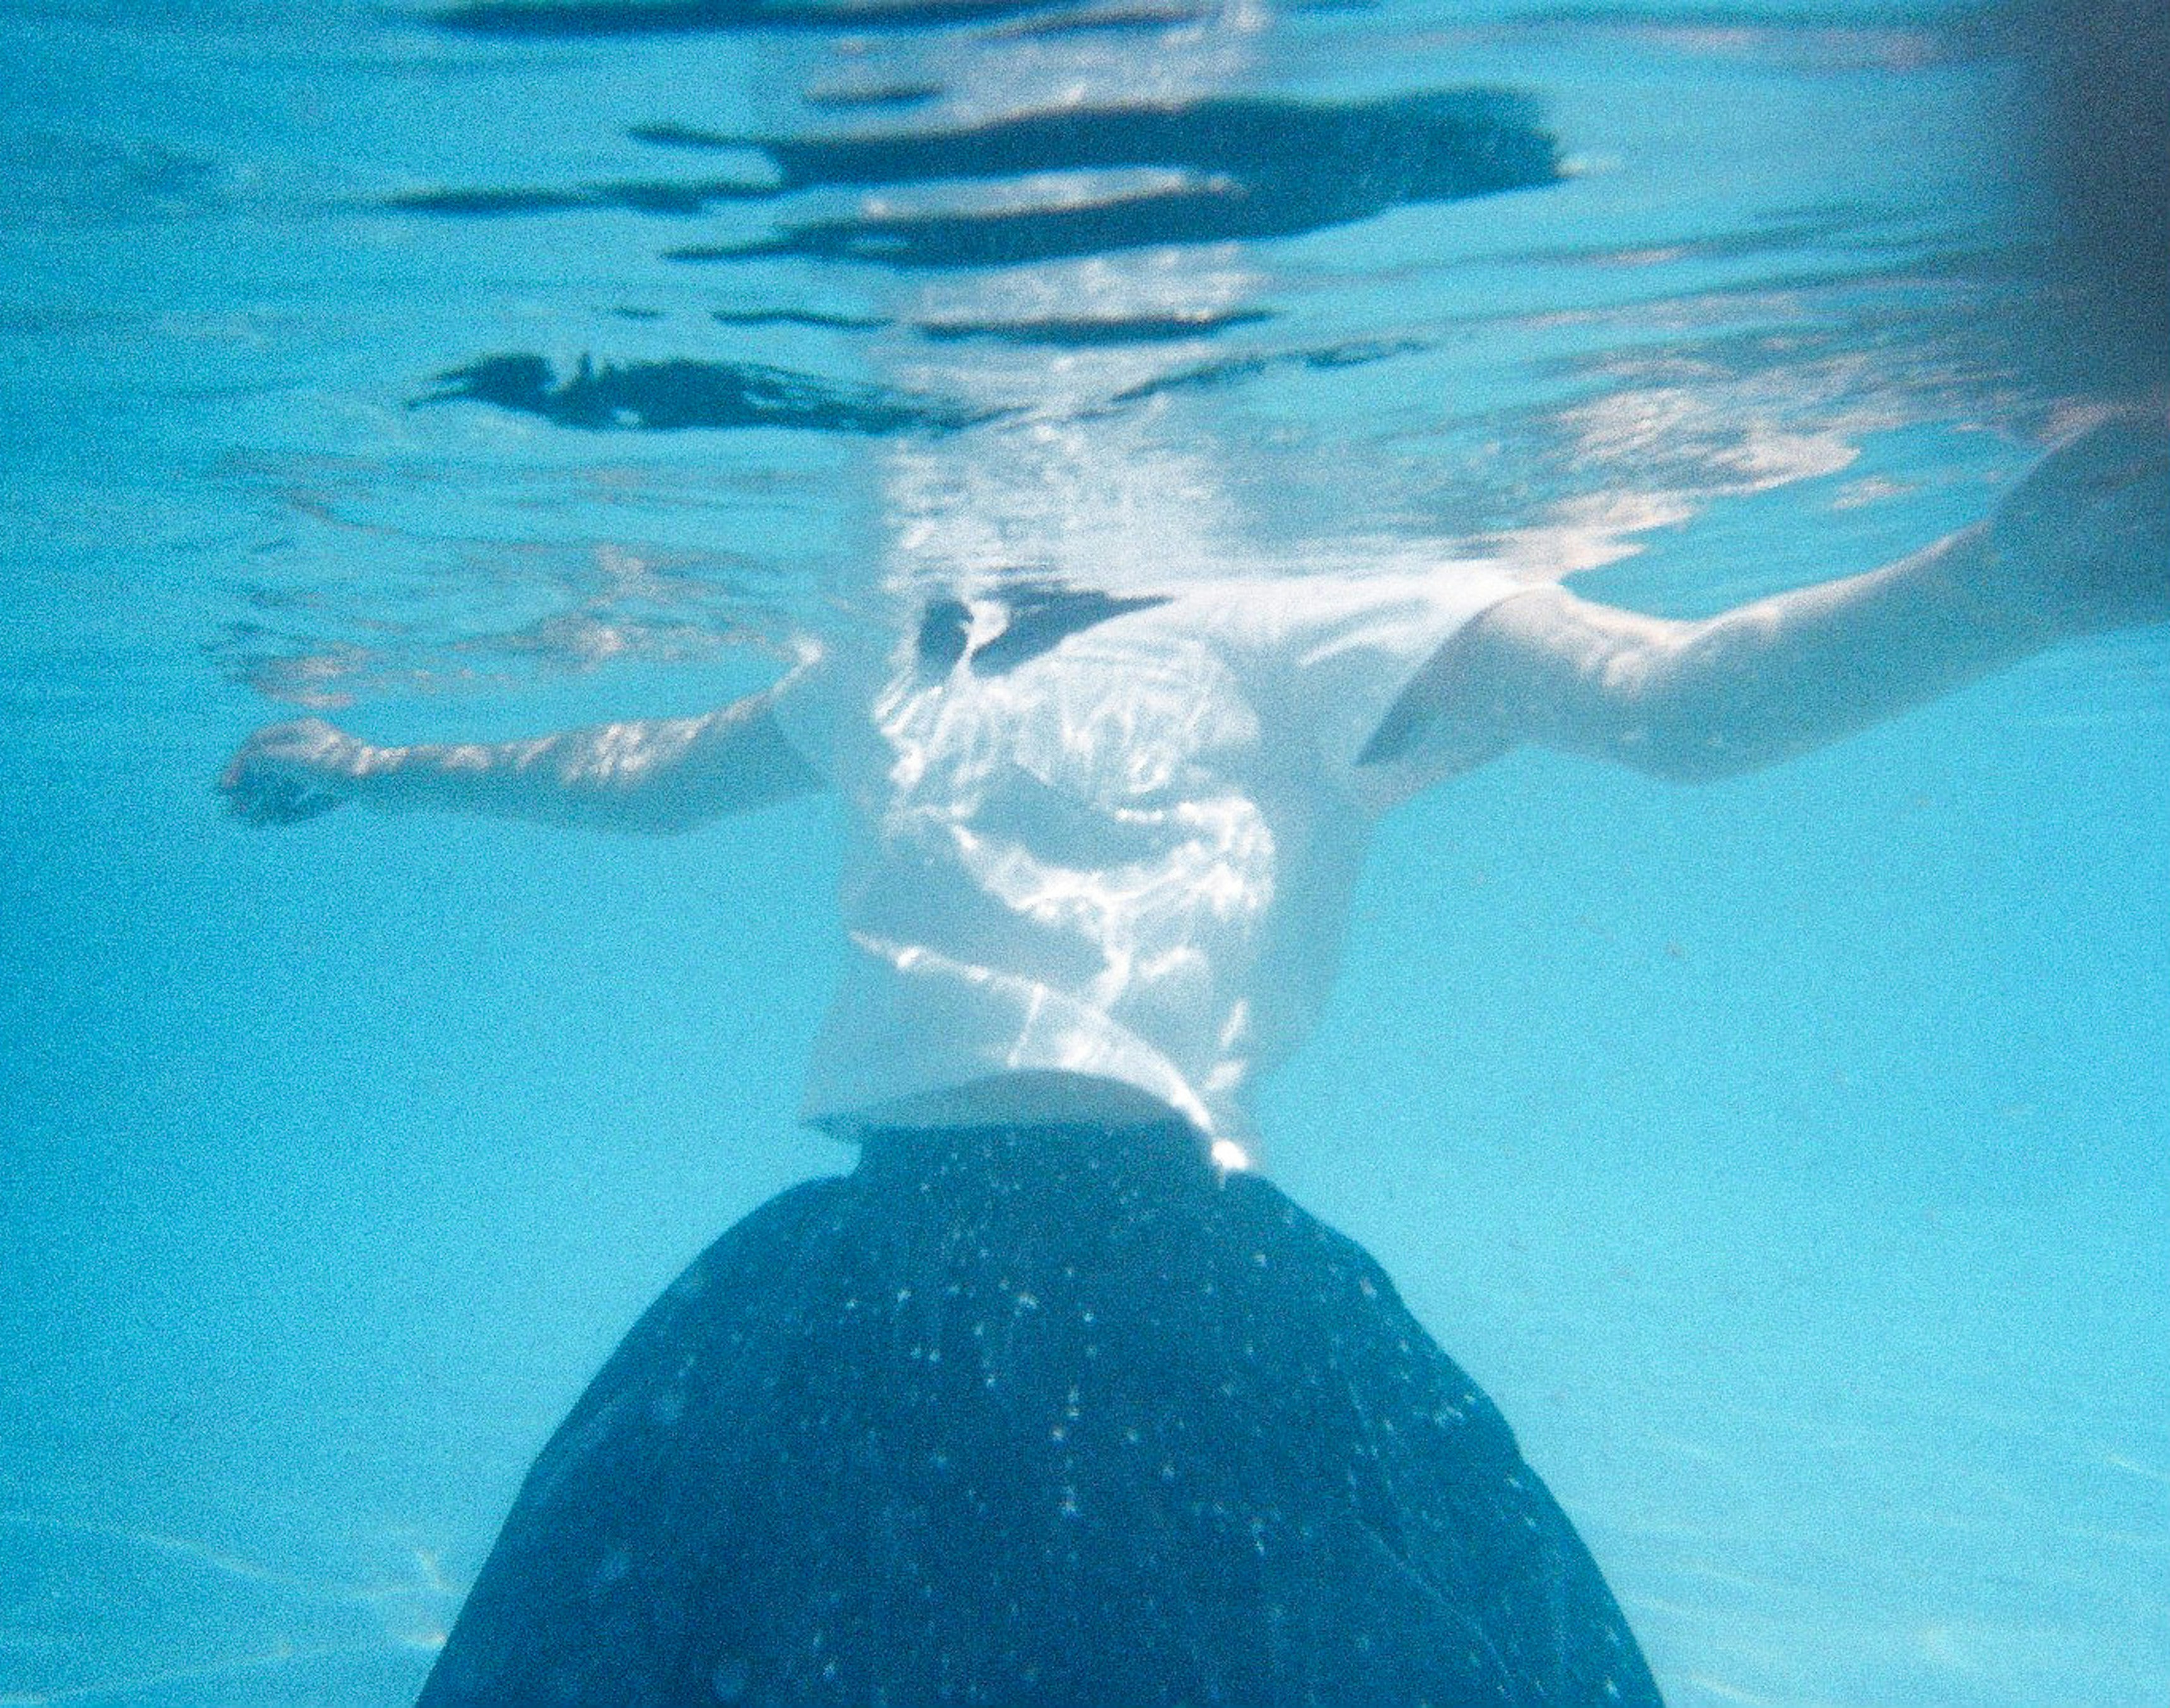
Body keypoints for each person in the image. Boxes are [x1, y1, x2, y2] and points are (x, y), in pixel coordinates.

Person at [225, 412, 2165, 1706]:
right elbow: (658, 788)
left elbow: (1677, 706)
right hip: (878, 1268)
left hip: (1161, 1276)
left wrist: (2001, 582)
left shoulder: (1333, 602)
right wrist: (383, 772)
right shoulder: (926, 632)